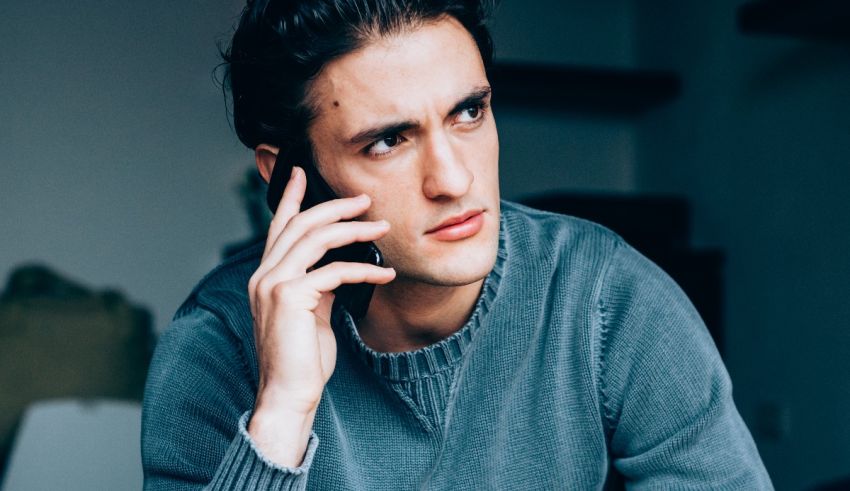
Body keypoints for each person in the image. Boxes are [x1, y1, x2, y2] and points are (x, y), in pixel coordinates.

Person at [141, 0, 774, 489]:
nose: (454, 180)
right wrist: (281, 412)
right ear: (287, 177)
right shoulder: (216, 345)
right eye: (388, 141)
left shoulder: (608, 299)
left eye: (468, 112)